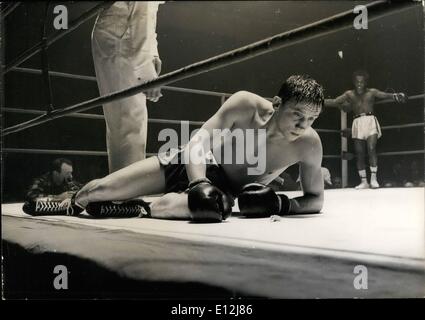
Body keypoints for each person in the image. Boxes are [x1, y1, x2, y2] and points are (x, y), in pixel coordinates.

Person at [68, 75, 325, 222]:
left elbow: (316, 199)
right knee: (101, 189)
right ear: (278, 103)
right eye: (298, 115)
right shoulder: (245, 104)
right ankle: (70, 203)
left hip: (221, 194)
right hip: (194, 163)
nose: (304, 125)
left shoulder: (309, 144)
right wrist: (198, 182)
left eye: (312, 119)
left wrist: (281, 204)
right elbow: (198, 141)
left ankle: (140, 208)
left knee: (215, 209)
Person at [92, 1, 164, 173]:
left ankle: (123, 189)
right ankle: (126, 192)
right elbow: (141, 15)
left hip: (119, 35)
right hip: (121, 39)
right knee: (129, 121)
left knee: (124, 122)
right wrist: (147, 73)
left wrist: (152, 52)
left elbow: (146, 13)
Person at [324, 70, 407, 189]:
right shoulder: (349, 94)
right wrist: (319, 101)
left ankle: (374, 179)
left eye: (362, 81)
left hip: (370, 120)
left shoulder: (371, 92)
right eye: (357, 81)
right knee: (359, 153)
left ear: (365, 82)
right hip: (357, 122)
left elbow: (384, 94)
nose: (359, 84)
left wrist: (396, 95)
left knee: (371, 148)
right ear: (354, 82)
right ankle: (364, 181)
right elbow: (335, 101)